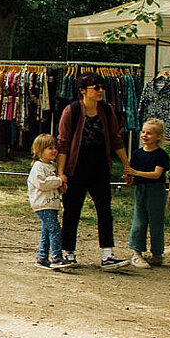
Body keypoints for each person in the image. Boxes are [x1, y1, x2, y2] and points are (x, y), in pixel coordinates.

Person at [56, 72, 133, 270]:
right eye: (95, 87)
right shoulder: (71, 111)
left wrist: (127, 165)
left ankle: (108, 254)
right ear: (83, 90)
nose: (100, 90)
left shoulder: (107, 111)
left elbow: (116, 140)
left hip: (99, 167)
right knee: (72, 211)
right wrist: (61, 172)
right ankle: (68, 253)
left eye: (102, 87)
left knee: (105, 211)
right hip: (76, 168)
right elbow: (63, 144)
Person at [124, 119, 170, 269]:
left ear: (158, 136)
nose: (144, 135)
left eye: (149, 133)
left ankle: (157, 253)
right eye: (143, 132)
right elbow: (131, 173)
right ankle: (137, 252)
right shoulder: (137, 153)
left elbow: (157, 174)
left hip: (156, 190)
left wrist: (136, 173)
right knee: (139, 220)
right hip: (141, 190)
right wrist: (130, 178)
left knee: (156, 221)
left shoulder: (161, 155)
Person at [27, 134, 71, 270]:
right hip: (42, 204)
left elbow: (54, 183)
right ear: (39, 151)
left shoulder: (53, 166)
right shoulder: (38, 167)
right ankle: (56, 257)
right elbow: (42, 183)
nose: (54, 151)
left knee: (47, 230)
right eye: (49, 148)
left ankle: (42, 257)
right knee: (55, 229)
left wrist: (61, 187)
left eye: (55, 148)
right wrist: (59, 181)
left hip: (52, 203)